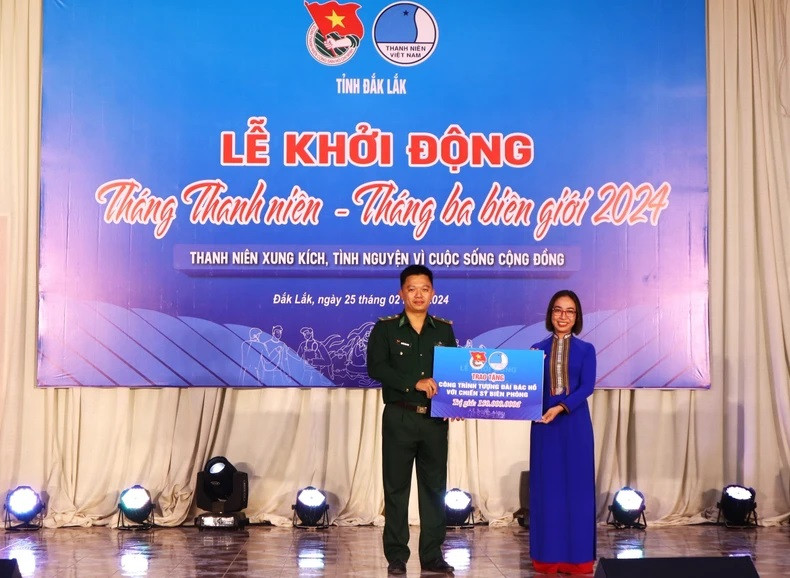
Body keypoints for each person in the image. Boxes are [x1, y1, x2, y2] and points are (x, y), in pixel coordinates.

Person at [366, 264, 456, 575]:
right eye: (412, 288)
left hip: (433, 422)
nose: (419, 294)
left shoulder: (444, 330)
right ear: (401, 292)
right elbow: (376, 367)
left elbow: (454, 373)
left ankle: (432, 555)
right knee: (396, 490)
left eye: (425, 289)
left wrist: (455, 401)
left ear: (433, 293)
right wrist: (412, 382)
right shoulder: (386, 328)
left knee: (434, 489)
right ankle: (396, 557)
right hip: (399, 418)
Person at [529, 289, 597, 574]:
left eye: (569, 311)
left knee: (577, 491)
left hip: (574, 425)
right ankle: (547, 557)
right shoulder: (536, 349)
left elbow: (586, 387)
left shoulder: (586, 350)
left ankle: (578, 559)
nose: (563, 316)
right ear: (550, 314)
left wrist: (561, 407)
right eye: (558, 310)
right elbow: (528, 387)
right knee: (548, 490)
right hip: (544, 427)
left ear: (577, 316)